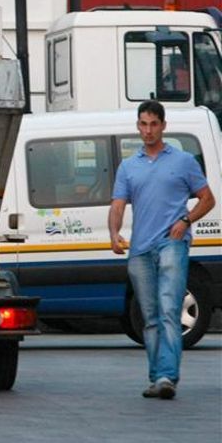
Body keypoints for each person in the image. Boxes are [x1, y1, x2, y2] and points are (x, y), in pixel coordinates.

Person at [108, 100, 215, 400]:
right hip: (140, 248)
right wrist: (114, 233)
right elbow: (117, 204)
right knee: (150, 315)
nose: (148, 130)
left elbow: (207, 199)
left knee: (169, 309)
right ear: (138, 126)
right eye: (143, 124)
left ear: (163, 126)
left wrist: (185, 219)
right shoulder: (129, 166)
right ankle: (157, 378)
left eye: (154, 124)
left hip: (172, 243)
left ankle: (168, 376)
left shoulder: (183, 161)